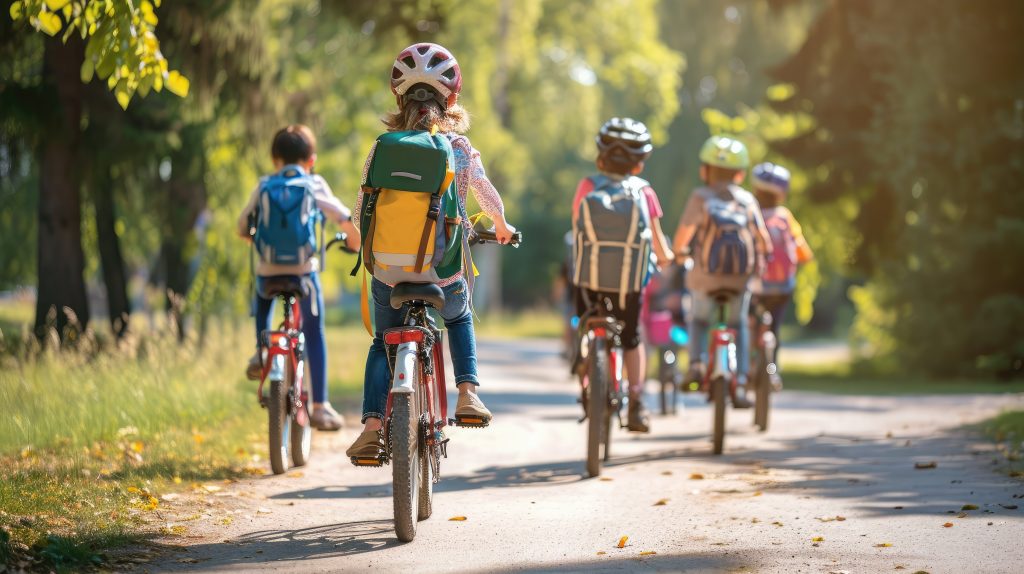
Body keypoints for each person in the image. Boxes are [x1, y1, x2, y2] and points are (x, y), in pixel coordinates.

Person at [345, 43, 517, 461]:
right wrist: (501, 226)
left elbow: (357, 213)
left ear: (399, 98)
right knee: (458, 316)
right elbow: (486, 195)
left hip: (388, 273)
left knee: (382, 341)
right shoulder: (458, 148)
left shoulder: (383, 146)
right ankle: (468, 394)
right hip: (442, 271)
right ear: (452, 98)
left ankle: (371, 426)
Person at [237, 124, 360, 431]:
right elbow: (344, 218)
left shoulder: (265, 185)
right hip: (304, 274)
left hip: (269, 271)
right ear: (311, 159)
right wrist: (354, 242)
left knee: (263, 290)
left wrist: (256, 240)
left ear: (275, 159)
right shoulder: (313, 183)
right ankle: (320, 406)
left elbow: (242, 225)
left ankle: (261, 348)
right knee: (314, 331)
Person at [571, 117, 674, 433]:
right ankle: (637, 402)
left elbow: (577, 227)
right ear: (640, 164)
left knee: (587, 327)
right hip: (629, 285)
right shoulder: (645, 192)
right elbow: (657, 241)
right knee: (632, 338)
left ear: (600, 156)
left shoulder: (587, 186)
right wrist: (668, 258)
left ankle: (588, 375)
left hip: (588, 281)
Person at [671, 135, 770, 408]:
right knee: (739, 324)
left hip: (704, 277)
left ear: (705, 170)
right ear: (740, 173)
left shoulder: (700, 197)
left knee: (699, 320)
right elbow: (763, 239)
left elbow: (683, 236)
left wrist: (679, 255)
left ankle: (696, 365)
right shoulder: (748, 200)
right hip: (740, 279)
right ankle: (740, 381)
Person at [750, 162, 813, 373]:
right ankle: (772, 370)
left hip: (755, 285)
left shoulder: (750, 213)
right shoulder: (784, 216)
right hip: (783, 286)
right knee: (774, 327)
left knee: (748, 320)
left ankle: (746, 364)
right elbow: (804, 253)